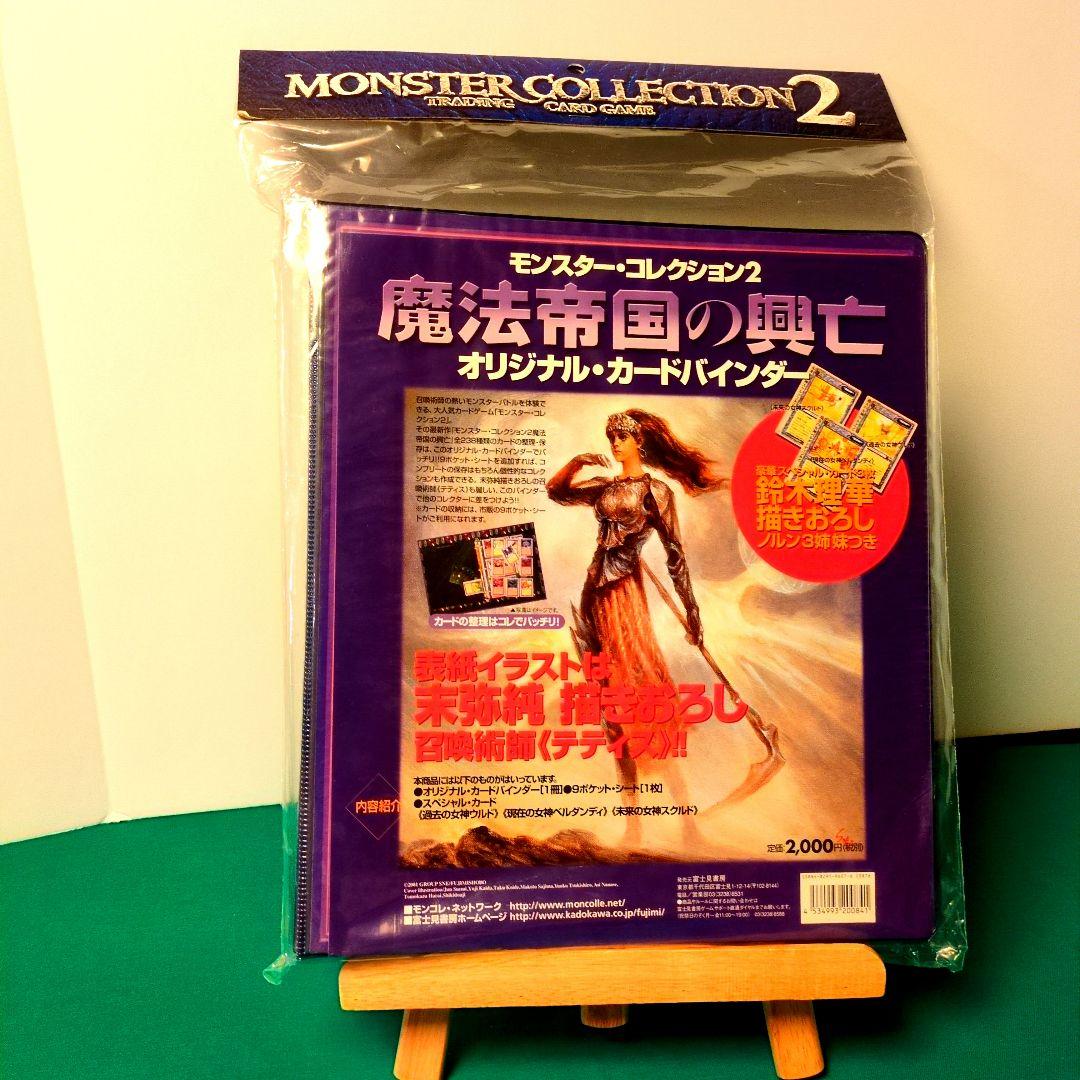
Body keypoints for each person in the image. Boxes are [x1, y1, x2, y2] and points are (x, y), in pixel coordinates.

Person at [546, 409, 728, 848]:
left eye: (621, 437)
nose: (614, 443)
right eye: (611, 436)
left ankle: (688, 825)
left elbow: (676, 556)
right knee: (612, 714)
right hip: (594, 598)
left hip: (626, 600)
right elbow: (557, 492)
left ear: (639, 442)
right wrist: (576, 463)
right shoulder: (605, 488)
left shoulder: (656, 492)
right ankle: (633, 826)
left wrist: (693, 611)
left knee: (647, 705)